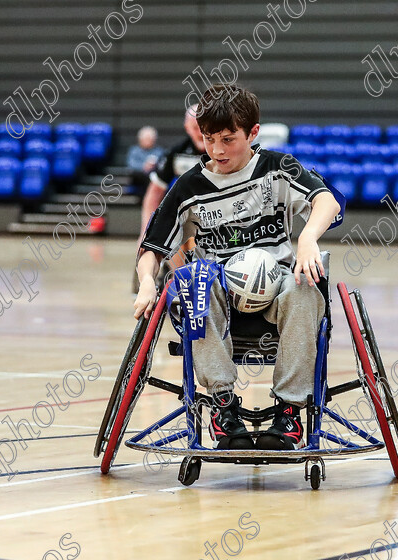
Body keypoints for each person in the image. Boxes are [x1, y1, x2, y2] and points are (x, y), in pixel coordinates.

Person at [134, 84, 341, 451]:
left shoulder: (279, 167)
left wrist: (307, 239)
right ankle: (221, 405)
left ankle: (290, 411)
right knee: (198, 279)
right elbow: (151, 247)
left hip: (277, 289)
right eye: (209, 138)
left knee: (307, 284)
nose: (217, 149)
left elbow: (326, 202)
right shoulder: (189, 186)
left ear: (253, 133)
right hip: (216, 298)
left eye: (228, 139)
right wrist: (148, 282)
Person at [139, 106, 206, 245]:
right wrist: (146, 232)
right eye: (195, 127)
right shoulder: (176, 154)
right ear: (186, 127)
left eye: (204, 127)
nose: (200, 132)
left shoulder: (225, 153)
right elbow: (154, 194)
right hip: (185, 218)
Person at [126, 126, 164, 190]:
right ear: (140, 139)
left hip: (153, 178)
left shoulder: (159, 151)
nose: (148, 141)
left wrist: (153, 166)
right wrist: (144, 167)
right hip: (138, 179)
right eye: (146, 139)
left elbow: (162, 165)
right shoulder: (134, 151)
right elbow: (131, 165)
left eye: (150, 139)